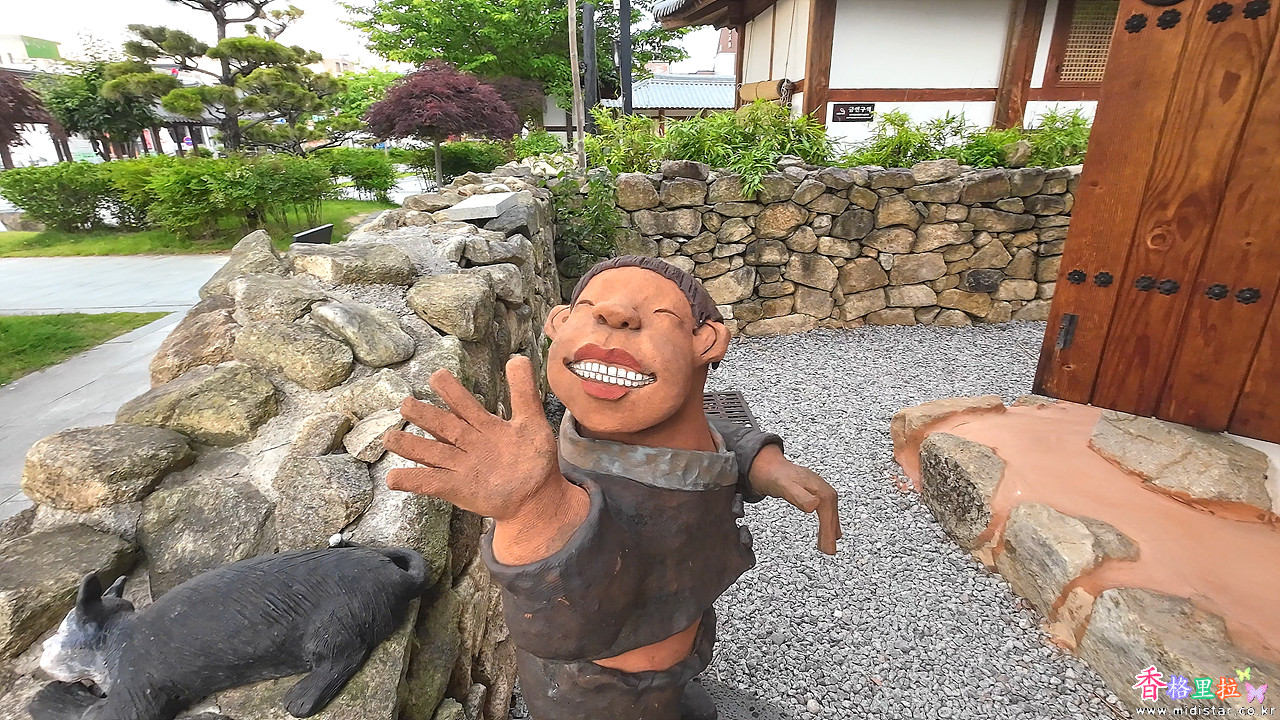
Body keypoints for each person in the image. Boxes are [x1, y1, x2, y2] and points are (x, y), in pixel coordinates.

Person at [384, 255, 841, 720]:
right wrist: (532, 512)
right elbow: (560, 629)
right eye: (589, 309)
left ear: (705, 341)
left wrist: (762, 460)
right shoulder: (568, 481)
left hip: (679, 626)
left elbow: (703, 433)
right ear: (559, 324)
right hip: (600, 693)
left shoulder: (657, 429)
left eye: (661, 315)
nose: (615, 315)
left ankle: (675, 688)